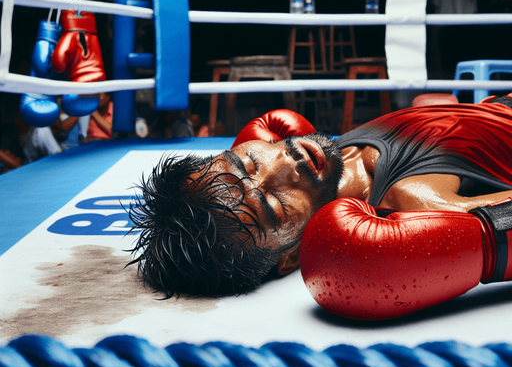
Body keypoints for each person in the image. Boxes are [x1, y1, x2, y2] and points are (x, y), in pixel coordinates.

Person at [128, 96, 512, 299]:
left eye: (247, 161)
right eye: (276, 205)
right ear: (291, 255)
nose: (286, 164)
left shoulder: (324, 154)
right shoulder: (412, 197)